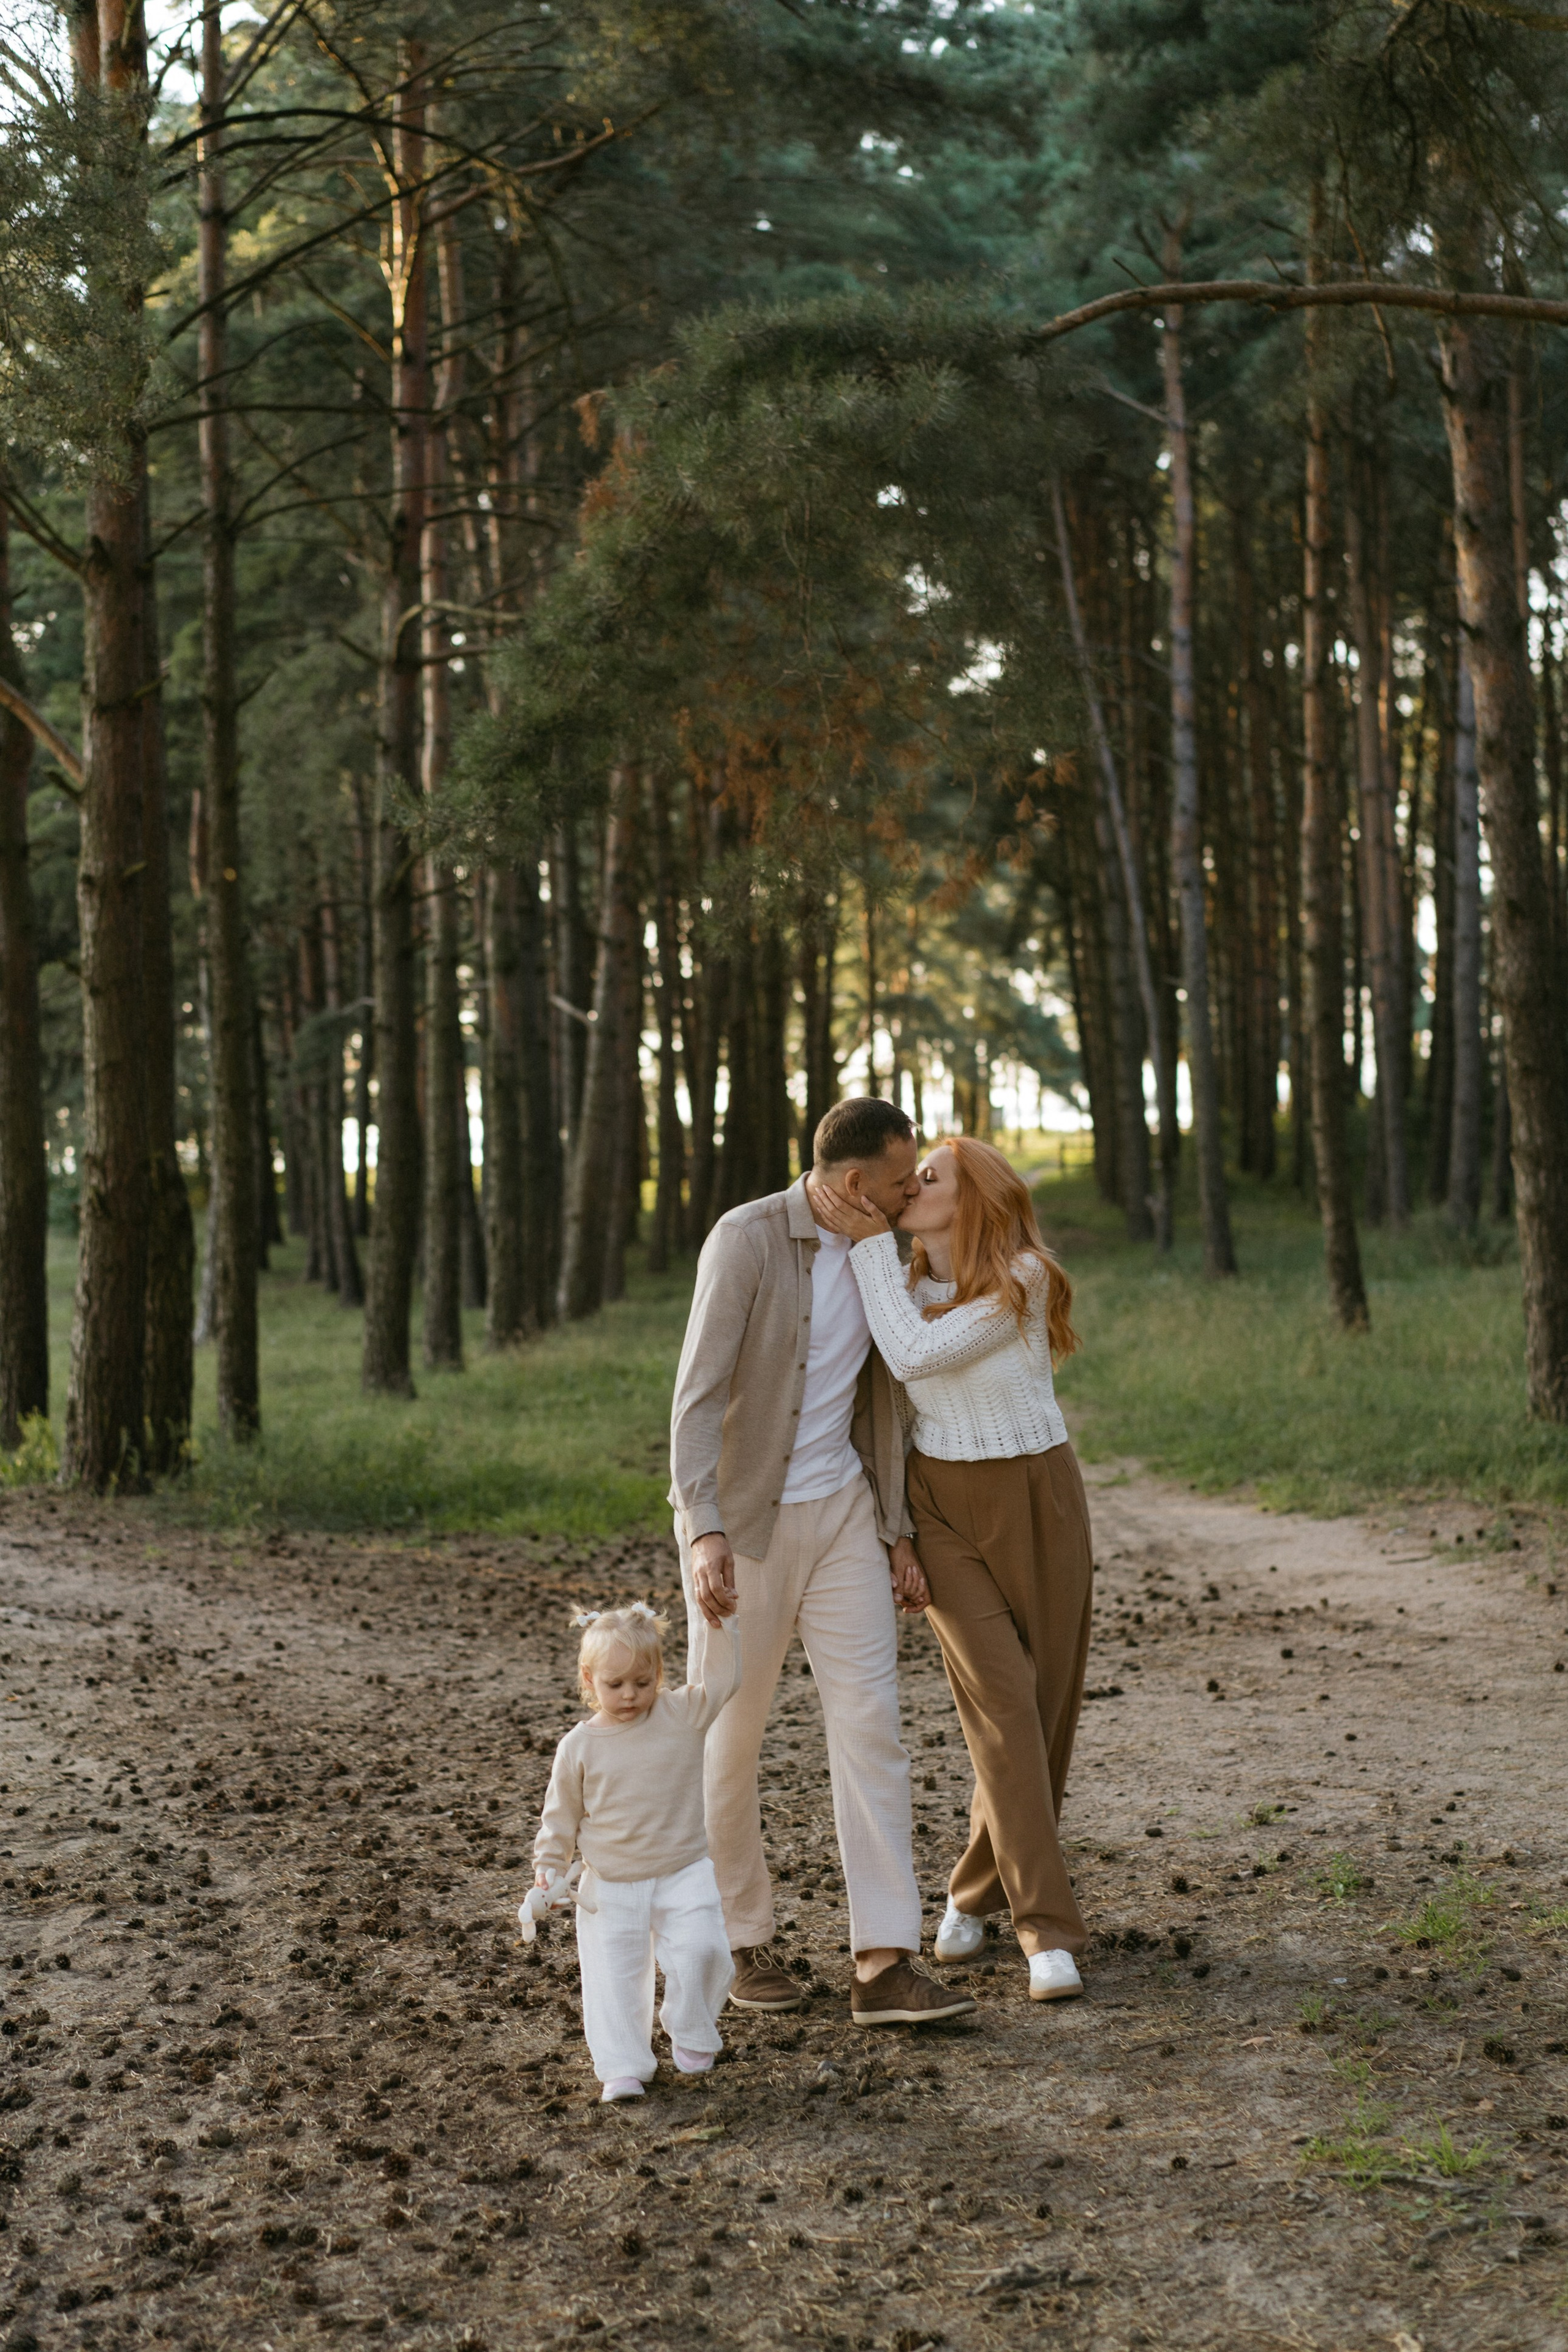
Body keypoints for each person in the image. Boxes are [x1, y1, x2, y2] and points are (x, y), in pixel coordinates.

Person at [669, 1095, 976, 2028]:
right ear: (853, 1184)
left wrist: (894, 1529)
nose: (910, 1191)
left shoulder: (889, 1254)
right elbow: (695, 1396)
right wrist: (703, 1531)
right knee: (731, 1733)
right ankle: (737, 1939)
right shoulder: (748, 1239)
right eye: (897, 1181)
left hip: (842, 1512)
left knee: (871, 1724)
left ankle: (882, 1962)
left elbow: (883, 1399)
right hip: (748, 1527)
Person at [812, 1135, 1092, 2002]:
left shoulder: (1023, 1277)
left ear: (971, 1199)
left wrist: (864, 1247)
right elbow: (895, 1366)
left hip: (1038, 1496)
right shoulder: (890, 1283)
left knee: (1040, 1721)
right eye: (909, 1177)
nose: (909, 1188)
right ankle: (1047, 1931)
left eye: (929, 1178)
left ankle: (973, 1889)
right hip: (940, 1511)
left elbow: (917, 1355)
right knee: (1003, 1706)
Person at [532, 1601, 741, 2101]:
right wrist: (548, 1868)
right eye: (615, 1684)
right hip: (610, 1884)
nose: (630, 1696)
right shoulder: (578, 1747)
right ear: (589, 1679)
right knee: (614, 1979)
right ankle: (623, 2067)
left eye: (642, 1683)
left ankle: (690, 2028)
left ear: (658, 1675)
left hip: (684, 1870)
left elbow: (723, 1678)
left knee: (705, 1951)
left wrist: (720, 1624)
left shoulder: (681, 1713)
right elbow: (559, 1817)